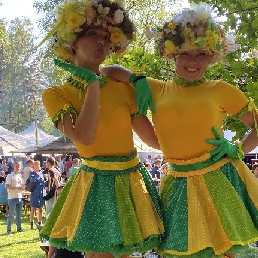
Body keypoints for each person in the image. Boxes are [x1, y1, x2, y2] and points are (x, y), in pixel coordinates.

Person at [102, 3, 258, 257]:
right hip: (178, 184)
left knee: (224, 251)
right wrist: (137, 79)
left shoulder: (221, 89)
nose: (193, 62)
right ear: (172, 54)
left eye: (201, 55)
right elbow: (106, 71)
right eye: (185, 54)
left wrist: (239, 148)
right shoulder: (157, 88)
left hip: (219, 179)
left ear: (212, 56)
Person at [38, 0, 164, 257]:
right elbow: (84, 136)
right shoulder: (56, 94)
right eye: (92, 34)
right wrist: (93, 84)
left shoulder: (121, 85)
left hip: (130, 180)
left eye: (106, 37)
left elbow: (154, 140)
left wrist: (199, 141)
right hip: (95, 184)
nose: (101, 42)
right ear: (72, 41)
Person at [5, 161, 25, 235]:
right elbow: (7, 186)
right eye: (16, 166)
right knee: (11, 215)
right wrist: (17, 187)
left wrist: (23, 187)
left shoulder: (20, 176)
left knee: (19, 215)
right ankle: (8, 230)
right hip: (12, 198)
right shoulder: (10, 176)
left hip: (19, 197)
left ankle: (19, 228)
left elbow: (22, 185)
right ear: (14, 166)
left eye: (19, 166)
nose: (18, 168)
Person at [29, 160, 45, 230]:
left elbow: (43, 182)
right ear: (34, 166)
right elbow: (33, 180)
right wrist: (38, 175)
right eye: (37, 165)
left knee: (40, 209)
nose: (38, 166)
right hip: (34, 194)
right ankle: (31, 224)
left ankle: (39, 222)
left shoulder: (41, 173)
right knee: (33, 209)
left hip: (41, 193)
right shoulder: (32, 174)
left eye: (39, 165)